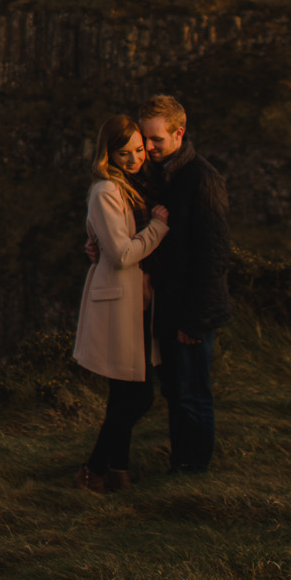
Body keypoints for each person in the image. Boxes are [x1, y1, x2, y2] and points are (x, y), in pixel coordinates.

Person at [72, 114, 168, 493]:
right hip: (119, 303)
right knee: (138, 394)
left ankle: (117, 472)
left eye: (140, 150)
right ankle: (93, 469)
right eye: (124, 153)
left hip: (138, 302)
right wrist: (158, 227)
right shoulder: (107, 190)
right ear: (108, 153)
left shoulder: (135, 185)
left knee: (125, 392)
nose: (134, 159)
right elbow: (123, 254)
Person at [136, 94, 230, 474]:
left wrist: (194, 320)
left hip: (191, 309)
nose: (148, 147)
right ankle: (181, 465)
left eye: (156, 139)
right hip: (168, 304)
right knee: (174, 392)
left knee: (193, 393)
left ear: (179, 132)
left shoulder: (202, 178)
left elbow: (214, 254)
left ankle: (194, 470)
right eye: (145, 139)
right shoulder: (157, 176)